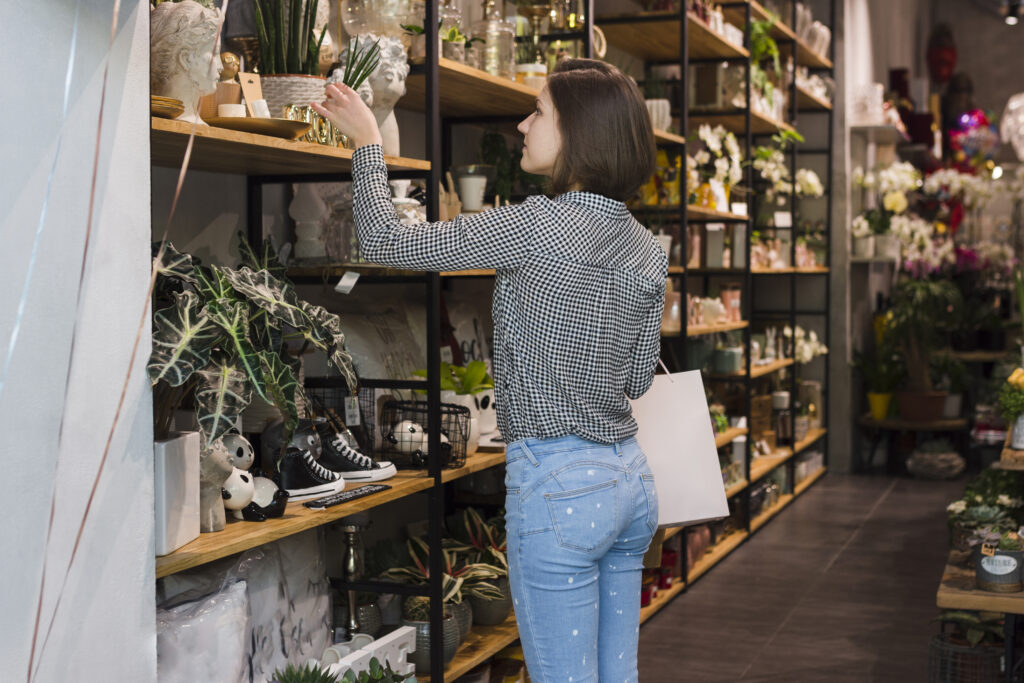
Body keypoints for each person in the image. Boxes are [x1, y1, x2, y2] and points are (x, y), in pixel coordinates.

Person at [312, 58, 665, 683]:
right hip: (629, 484)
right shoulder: (644, 244)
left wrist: (368, 143)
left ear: (579, 132)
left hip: (560, 484)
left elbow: (387, 243)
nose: (523, 124)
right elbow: (637, 381)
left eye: (540, 111)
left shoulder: (535, 224)